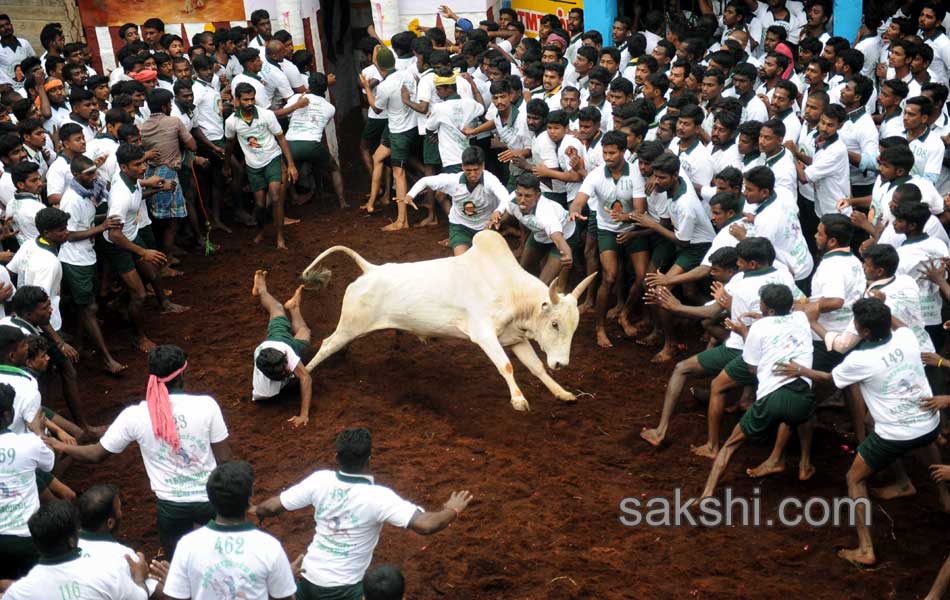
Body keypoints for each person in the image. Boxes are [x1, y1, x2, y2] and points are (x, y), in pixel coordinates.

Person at [775, 298, 950, 565]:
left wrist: (800, 369)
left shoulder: (858, 359)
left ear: (865, 332)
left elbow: (829, 379)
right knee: (896, 430)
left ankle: (866, 549)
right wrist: (881, 306)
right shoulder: (908, 337)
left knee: (855, 478)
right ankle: (940, 495)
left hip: (894, 434)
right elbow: (899, 324)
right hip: (929, 422)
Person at [46, 345, 232, 557]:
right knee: (219, 556)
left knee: (176, 562)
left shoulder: (135, 415)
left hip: (170, 508)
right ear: (183, 374)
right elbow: (225, 460)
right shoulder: (207, 406)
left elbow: (96, 454)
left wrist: (62, 446)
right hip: (209, 500)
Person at [253, 428, 473, 600]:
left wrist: (252, 509)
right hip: (344, 590)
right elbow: (427, 525)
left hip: (307, 579)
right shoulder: (378, 497)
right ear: (370, 458)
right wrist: (453, 509)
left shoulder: (320, 480)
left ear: (336, 457)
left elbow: (270, 508)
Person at [700, 283, 816, 497]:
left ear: (769, 310)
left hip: (771, 399)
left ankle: (707, 493)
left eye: (762, 305)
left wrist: (744, 331)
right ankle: (805, 464)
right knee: (805, 415)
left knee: (730, 446)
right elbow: (798, 310)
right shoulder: (801, 318)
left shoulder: (758, 329)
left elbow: (752, 368)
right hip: (802, 397)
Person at [160, 461, 296, 600]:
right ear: (249, 500)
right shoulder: (269, 546)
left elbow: (175, 597)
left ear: (210, 499)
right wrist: (285, 578)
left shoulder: (187, 545)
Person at [57, 154, 126, 374]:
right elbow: (67, 234)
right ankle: (106, 359)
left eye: (95, 171)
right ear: (76, 176)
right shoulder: (72, 199)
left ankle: (80, 346)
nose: (95, 176)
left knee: (85, 305)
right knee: (89, 308)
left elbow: (85, 223)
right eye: (89, 174)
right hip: (74, 259)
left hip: (86, 256)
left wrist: (107, 219)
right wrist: (103, 226)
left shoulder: (86, 194)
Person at [2, 501, 149, 599]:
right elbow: (141, 597)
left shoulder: (19, 592)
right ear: (72, 539)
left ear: (36, 543)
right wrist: (139, 578)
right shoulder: (107, 573)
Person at [224, 82, 299, 250]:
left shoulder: (267, 115)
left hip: (272, 159)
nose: (250, 103)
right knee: (259, 205)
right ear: (237, 100)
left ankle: (280, 237)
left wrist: (291, 165)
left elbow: (281, 138)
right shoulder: (231, 122)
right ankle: (261, 230)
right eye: (245, 100)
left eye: (252, 99)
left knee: (275, 197)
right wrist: (226, 165)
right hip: (253, 165)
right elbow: (229, 145)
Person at [403, 146, 509, 255]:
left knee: (486, 259)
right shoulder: (454, 180)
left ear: (483, 166)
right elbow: (425, 181)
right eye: (468, 170)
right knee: (462, 260)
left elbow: (506, 196)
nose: (472, 174)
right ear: (462, 167)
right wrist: (410, 195)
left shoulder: (490, 180)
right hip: (460, 227)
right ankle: (456, 240)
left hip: (486, 227)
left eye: (476, 170)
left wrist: (498, 211)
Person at [0, 381, 54, 579]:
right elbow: (49, 464)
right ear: (7, 414)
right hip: (26, 538)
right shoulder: (29, 443)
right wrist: (39, 433)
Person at [251, 269, 313, 427]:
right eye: (284, 371)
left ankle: (261, 289)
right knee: (304, 331)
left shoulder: (285, 355)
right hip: (278, 344)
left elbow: (305, 377)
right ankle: (293, 308)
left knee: (277, 308)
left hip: (278, 341)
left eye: (286, 367)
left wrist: (304, 414)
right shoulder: (264, 391)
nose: (288, 370)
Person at [77, 484, 160, 597]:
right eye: (119, 509)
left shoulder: (63, 544)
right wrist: (140, 580)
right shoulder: (125, 557)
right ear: (110, 523)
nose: (121, 513)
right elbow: (150, 593)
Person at [500, 173, 579, 285]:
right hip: (540, 235)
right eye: (520, 195)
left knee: (542, 283)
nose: (522, 200)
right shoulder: (512, 200)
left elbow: (558, 237)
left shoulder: (546, 213)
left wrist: (567, 253)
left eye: (528, 196)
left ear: (538, 196)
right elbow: (506, 215)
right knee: (522, 269)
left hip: (566, 236)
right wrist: (493, 224)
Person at [285, 72, 345, 208]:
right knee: (334, 168)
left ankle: (284, 204)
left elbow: (285, 113)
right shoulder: (330, 108)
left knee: (284, 176)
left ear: (309, 85)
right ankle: (342, 202)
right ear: (326, 87)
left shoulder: (296, 98)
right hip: (312, 144)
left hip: (290, 144)